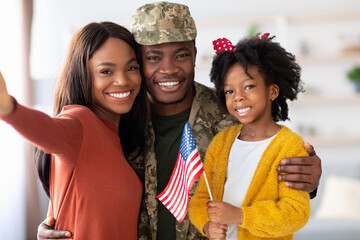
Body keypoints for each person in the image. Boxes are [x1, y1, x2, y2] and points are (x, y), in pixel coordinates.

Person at [37, 2, 322, 240]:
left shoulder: (233, 114)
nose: (169, 69)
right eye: (154, 57)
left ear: (196, 55)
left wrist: (308, 180)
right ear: (138, 62)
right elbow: (76, 178)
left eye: (182, 55)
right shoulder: (117, 121)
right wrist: (53, 221)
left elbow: (272, 168)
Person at [0, 21, 148, 239]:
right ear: (83, 76)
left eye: (131, 68)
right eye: (106, 71)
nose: (122, 80)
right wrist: (9, 108)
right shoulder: (80, 122)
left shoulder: (119, 135)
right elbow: (50, 131)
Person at [189, 34, 311, 240]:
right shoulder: (221, 142)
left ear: (272, 91)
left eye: (248, 87)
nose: (238, 96)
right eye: (229, 91)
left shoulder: (289, 146)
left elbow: (296, 213)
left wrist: (240, 215)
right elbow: (201, 200)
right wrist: (208, 225)